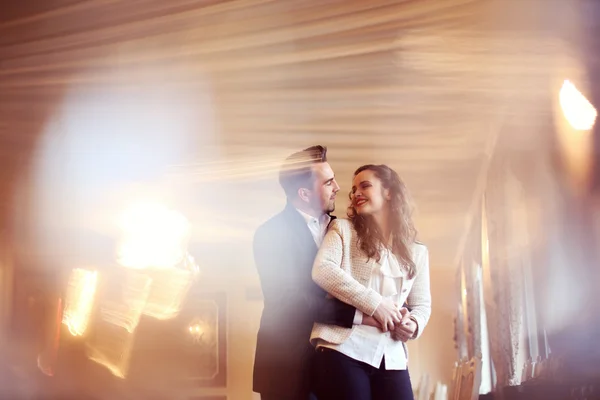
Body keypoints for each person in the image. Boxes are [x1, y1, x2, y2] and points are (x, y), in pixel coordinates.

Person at [252, 147, 407, 400]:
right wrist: (365, 315)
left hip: (343, 363)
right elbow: (290, 303)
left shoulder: (348, 230)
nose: (337, 186)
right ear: (304, 193)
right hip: (288, 368)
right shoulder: (270, 235)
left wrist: (403, 314)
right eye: (328, 182)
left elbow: (377, 282)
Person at [311, 164, 432, 400]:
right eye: (354, 189)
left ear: (389, 192)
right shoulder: (343, 229)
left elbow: (422, 304)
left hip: (392, 355)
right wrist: (376, 304)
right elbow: (322, 270)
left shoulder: (418, 252)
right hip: (343, 349)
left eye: (365, 186)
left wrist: (414, 324)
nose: (356, 193)